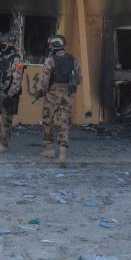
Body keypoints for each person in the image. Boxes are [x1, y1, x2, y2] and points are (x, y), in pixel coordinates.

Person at [37, 34, 82, 167]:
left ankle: (49, 149)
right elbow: (79, 79)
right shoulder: (73, 59)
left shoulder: (50, 60)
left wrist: (44, 90)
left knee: (47, 120)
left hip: (52, 93)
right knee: (64, 122)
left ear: (53, 45)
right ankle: (63, 154)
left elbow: (45, 81)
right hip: (67, 93)